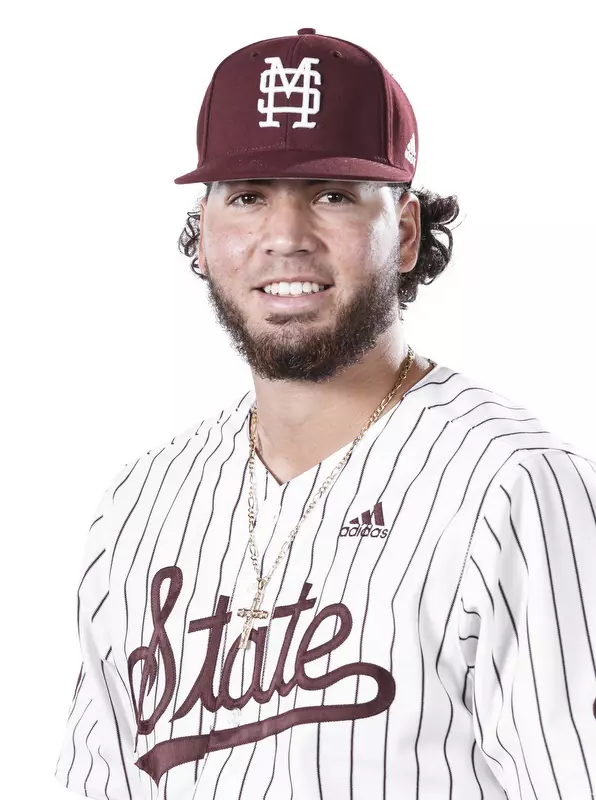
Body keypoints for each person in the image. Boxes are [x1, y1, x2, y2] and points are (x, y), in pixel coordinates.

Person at [54, 28, 596, 800]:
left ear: (404, 231)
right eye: (248, 197)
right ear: (202, 236)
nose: (285, 238)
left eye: (332, 195)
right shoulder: (138, 505)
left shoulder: (511, 488)